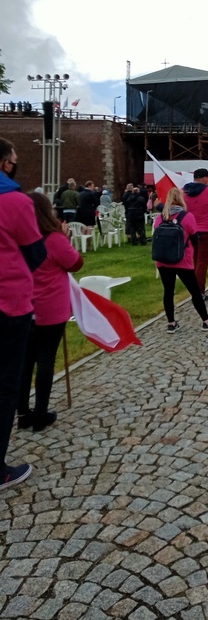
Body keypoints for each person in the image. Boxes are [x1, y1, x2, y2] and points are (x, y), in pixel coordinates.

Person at [0, 138, 47, 490]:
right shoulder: (15, 201)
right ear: (5, 164)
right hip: (8, 301)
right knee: (5, 383)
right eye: (13, 160)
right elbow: (35, 253)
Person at [17, 193, 83, 432]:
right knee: (45, 360)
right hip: (50, 308)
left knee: (26, 362)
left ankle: (23, 412)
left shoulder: (20, 239)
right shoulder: (53, 239)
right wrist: (66, 239)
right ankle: (40, 413)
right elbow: (75, 263)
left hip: (26, 305)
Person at [154, 187, 208, 332]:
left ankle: (171, 323)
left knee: (168, 291)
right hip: (182, 260)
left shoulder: (160, 218)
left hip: (163, 260)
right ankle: (206, 320)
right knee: (195, 292)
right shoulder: (187, 217)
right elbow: (194, 238)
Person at [183, 168, 208, 297]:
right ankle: (198, 292)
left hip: (190, 231)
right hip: (207, 231)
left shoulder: (183, 192)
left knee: (194, 262)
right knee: (202, 263)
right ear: (204, 179)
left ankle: (196, 290)